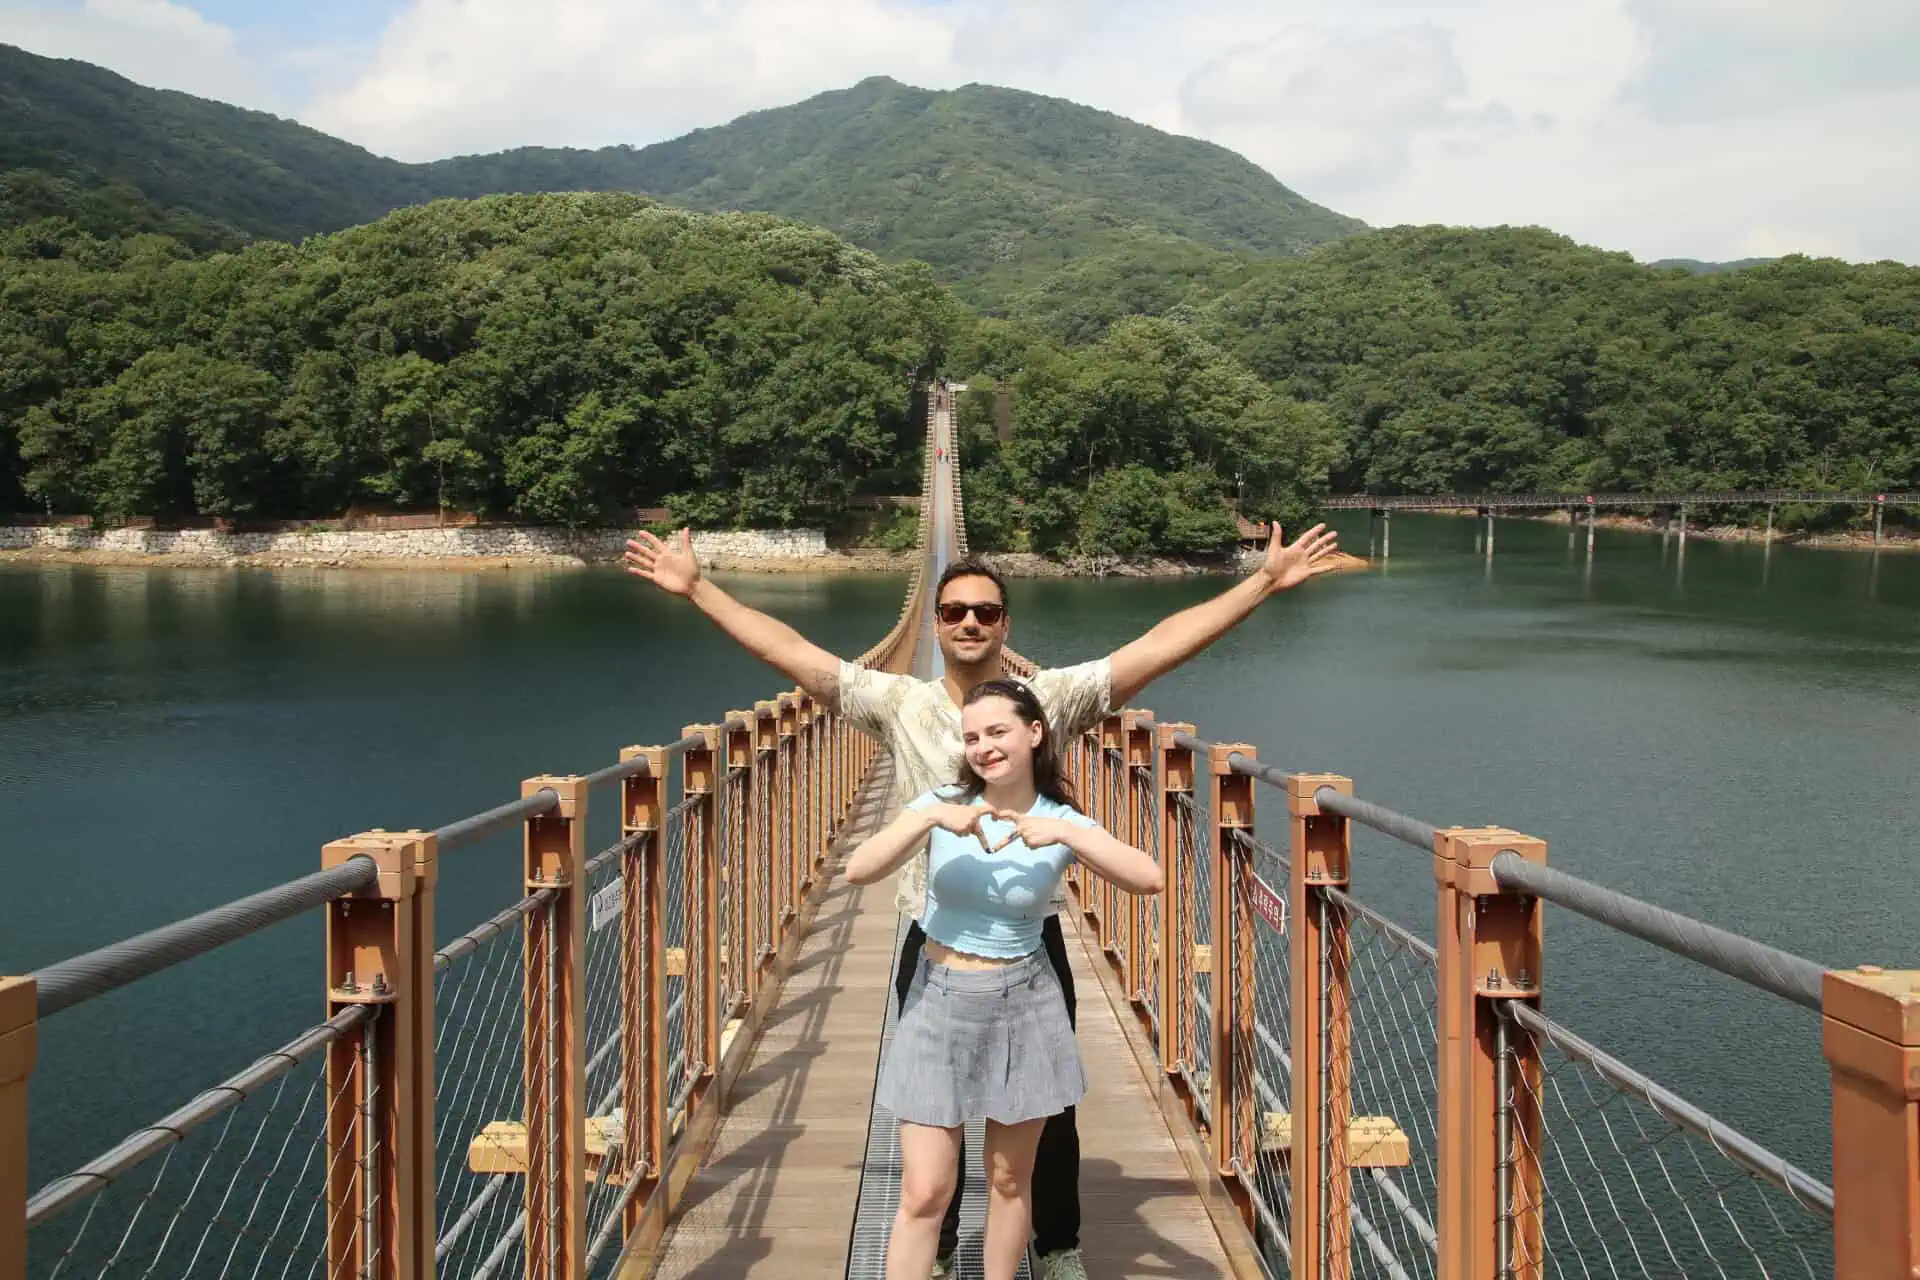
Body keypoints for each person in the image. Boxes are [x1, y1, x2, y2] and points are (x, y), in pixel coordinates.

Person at [622, 523, 1341, 1279]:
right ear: (933, 623)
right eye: (955, 610)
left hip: (1031, 941)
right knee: (931, 1115)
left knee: (1049, 1110)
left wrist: (1261, 583)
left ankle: (1056, 1245)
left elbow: (1156, 649)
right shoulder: (898, 702)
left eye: (987, 612)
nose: (970, 622)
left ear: (1006, 626)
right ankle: (930, 1249)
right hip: (930, 935)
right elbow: (797, 657)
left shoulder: (1046, 700)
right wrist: (698, 589)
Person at [844, 679, 1163, 1280]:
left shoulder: (1061, 820)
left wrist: (1067, 833)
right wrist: (933, 817)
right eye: (971, 737)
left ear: (1035, 732)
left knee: (1010, 1181)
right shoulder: (942, 803)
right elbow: (859, 870)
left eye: (997, 732)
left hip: (1024, 1003)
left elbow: (1149, 878)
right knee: (924, 1191)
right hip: (937, 998)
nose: (983, 748)